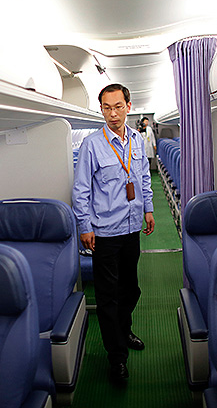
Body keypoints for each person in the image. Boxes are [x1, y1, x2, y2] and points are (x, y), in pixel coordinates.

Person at [72, 83, 155, 384]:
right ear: (102, 110)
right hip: (105, 232)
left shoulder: (136, 139)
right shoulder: (92, 145)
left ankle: (124, 329)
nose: (113, 113)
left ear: (128, 107)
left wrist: (148, 208)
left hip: (132, 227)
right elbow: (81, 190)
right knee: (108, 297)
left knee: (130, 290)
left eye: (118, 106)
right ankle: (116, 356)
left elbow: (143, 176)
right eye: (107, 108)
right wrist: (85, 227)